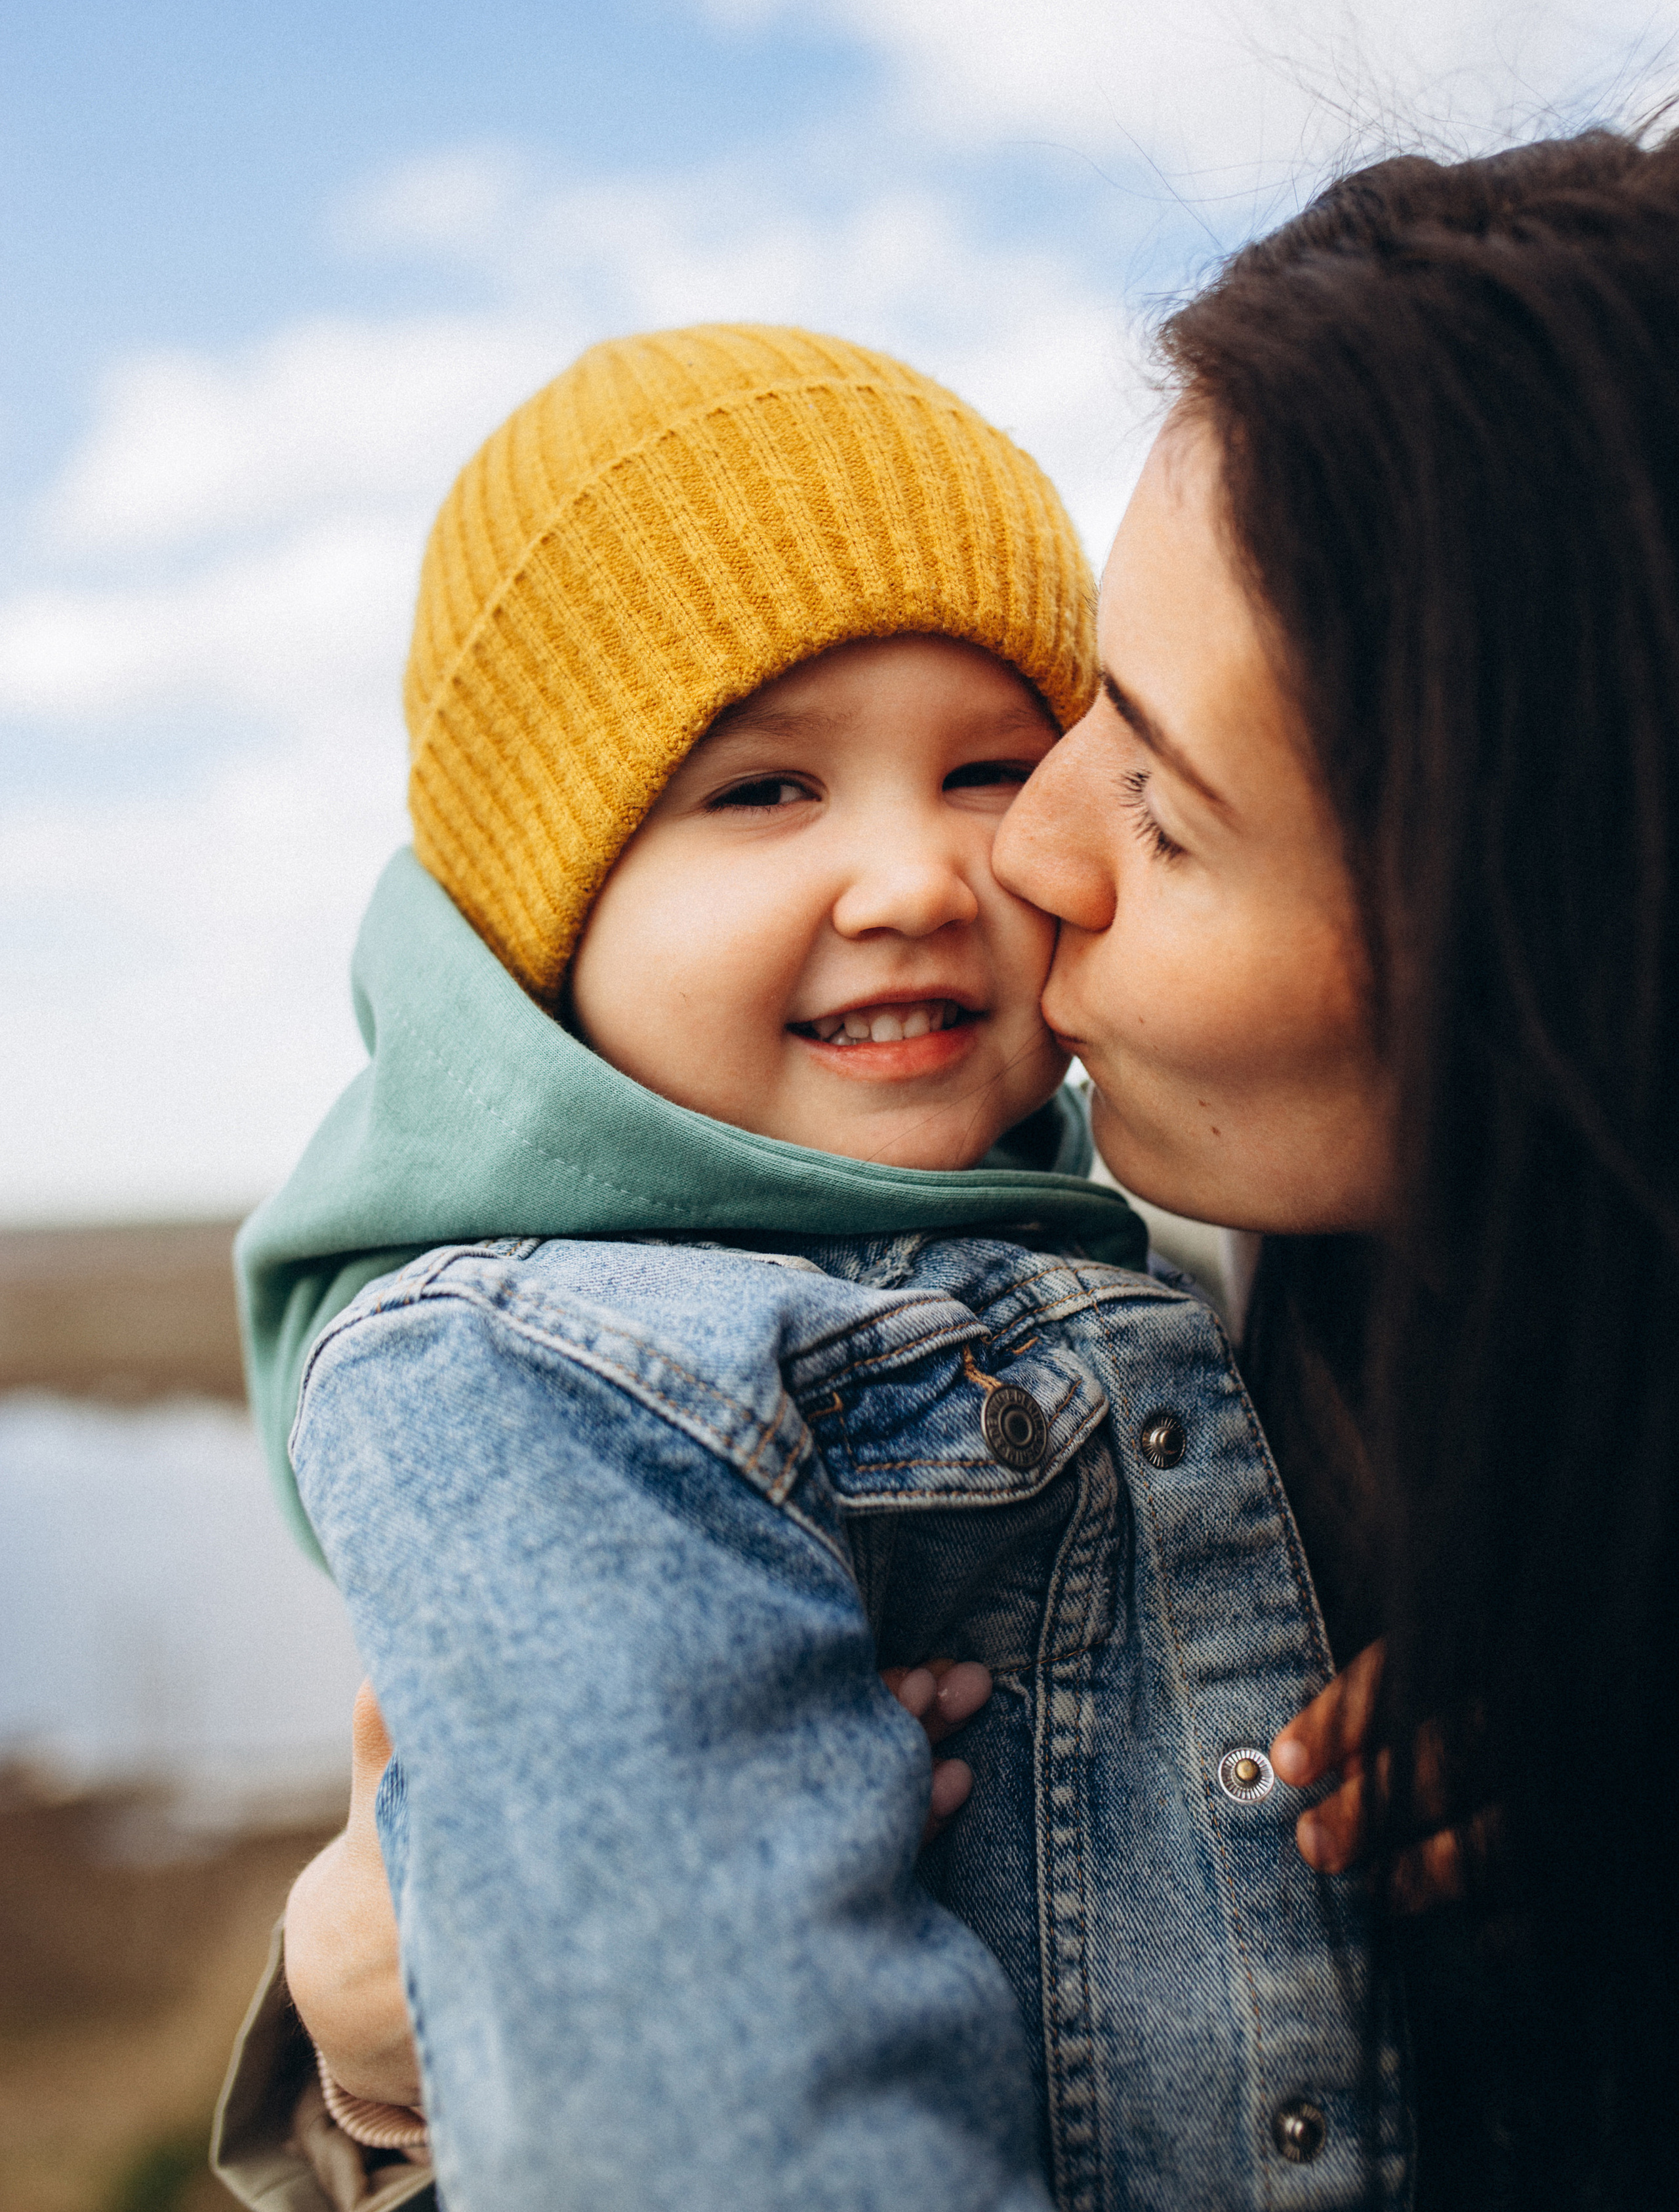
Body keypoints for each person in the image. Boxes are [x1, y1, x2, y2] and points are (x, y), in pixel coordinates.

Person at [211, 324, 1406, 2212]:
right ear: (554, 913)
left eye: (990, 769)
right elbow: (723, 2112)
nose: (918, 878)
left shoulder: (1165, 1248)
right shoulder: (536, 1374)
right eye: (765, 792)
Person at [994, 125, 1679, 2208]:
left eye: (1169, 811)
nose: (1027, 848)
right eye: (1080, 709)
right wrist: (377, 2068)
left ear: (1557, 958)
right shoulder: (1271, 1390)